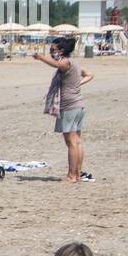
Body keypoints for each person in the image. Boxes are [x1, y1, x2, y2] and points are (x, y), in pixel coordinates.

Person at [34, 35, 92, 182]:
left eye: (53, 49)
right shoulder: (75, 63)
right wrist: (77, 84)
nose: (51, 52)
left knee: (71, 142)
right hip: (78, 104)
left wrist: (40, 57)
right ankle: (77, 174)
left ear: (61, 50)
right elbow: (89, 75)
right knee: (77, 141)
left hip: (69, 106)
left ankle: (72, 175)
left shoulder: (65, 62)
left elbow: (56, 65)